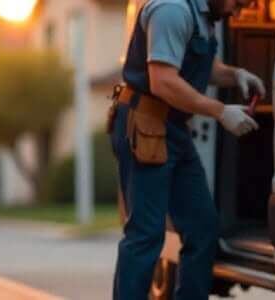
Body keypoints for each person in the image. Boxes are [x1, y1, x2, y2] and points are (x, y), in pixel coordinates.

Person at [110, 0, 266, 298]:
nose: (237, 13)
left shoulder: (204, 16)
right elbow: (164, 81)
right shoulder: (172, 9)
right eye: (238, 3)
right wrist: (221, 111)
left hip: (174, 128)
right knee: (145, 235)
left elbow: (203, 65)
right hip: (145, 123)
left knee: (203, 228)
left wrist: (235, 75)